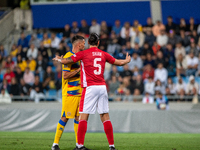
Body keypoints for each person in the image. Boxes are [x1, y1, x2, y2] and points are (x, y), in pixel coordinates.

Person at [53, 33, 131, 150]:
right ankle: (112, 146)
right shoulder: (103, 54)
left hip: (89, 88)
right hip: (102, 87)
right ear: (98, 43)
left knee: (83, 117)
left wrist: (59, 59)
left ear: (89, 43)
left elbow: (66, 61)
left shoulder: (83, 53)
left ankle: (79, 146)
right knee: (105, 116)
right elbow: (118, 62)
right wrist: (126, 60)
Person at [51, 35, 85, 150]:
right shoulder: (68, 57)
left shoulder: (79, 57)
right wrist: (79, 70)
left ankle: (78, 145)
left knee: (77, 118)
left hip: (79, 92)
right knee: (65, 117)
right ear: (79, 44)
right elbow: (65, 75)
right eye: (83, 43)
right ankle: (55, 144)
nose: (84, 45)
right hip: (70, 93)